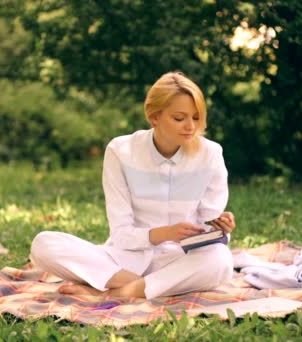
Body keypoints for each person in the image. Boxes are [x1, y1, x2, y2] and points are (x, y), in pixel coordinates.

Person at [30, 71, 236, 299]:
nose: (190, 127)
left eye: (196, 118)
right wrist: (166, 233)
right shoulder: (121, 151)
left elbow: (209, 227)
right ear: (154, 116)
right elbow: (121, 234)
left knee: (221, 260)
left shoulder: (211, 154)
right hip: (123, 261)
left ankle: (107, 294)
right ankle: (141, 286)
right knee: (44, 243)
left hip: (180, 259)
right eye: (179, 118)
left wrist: (221, 227)